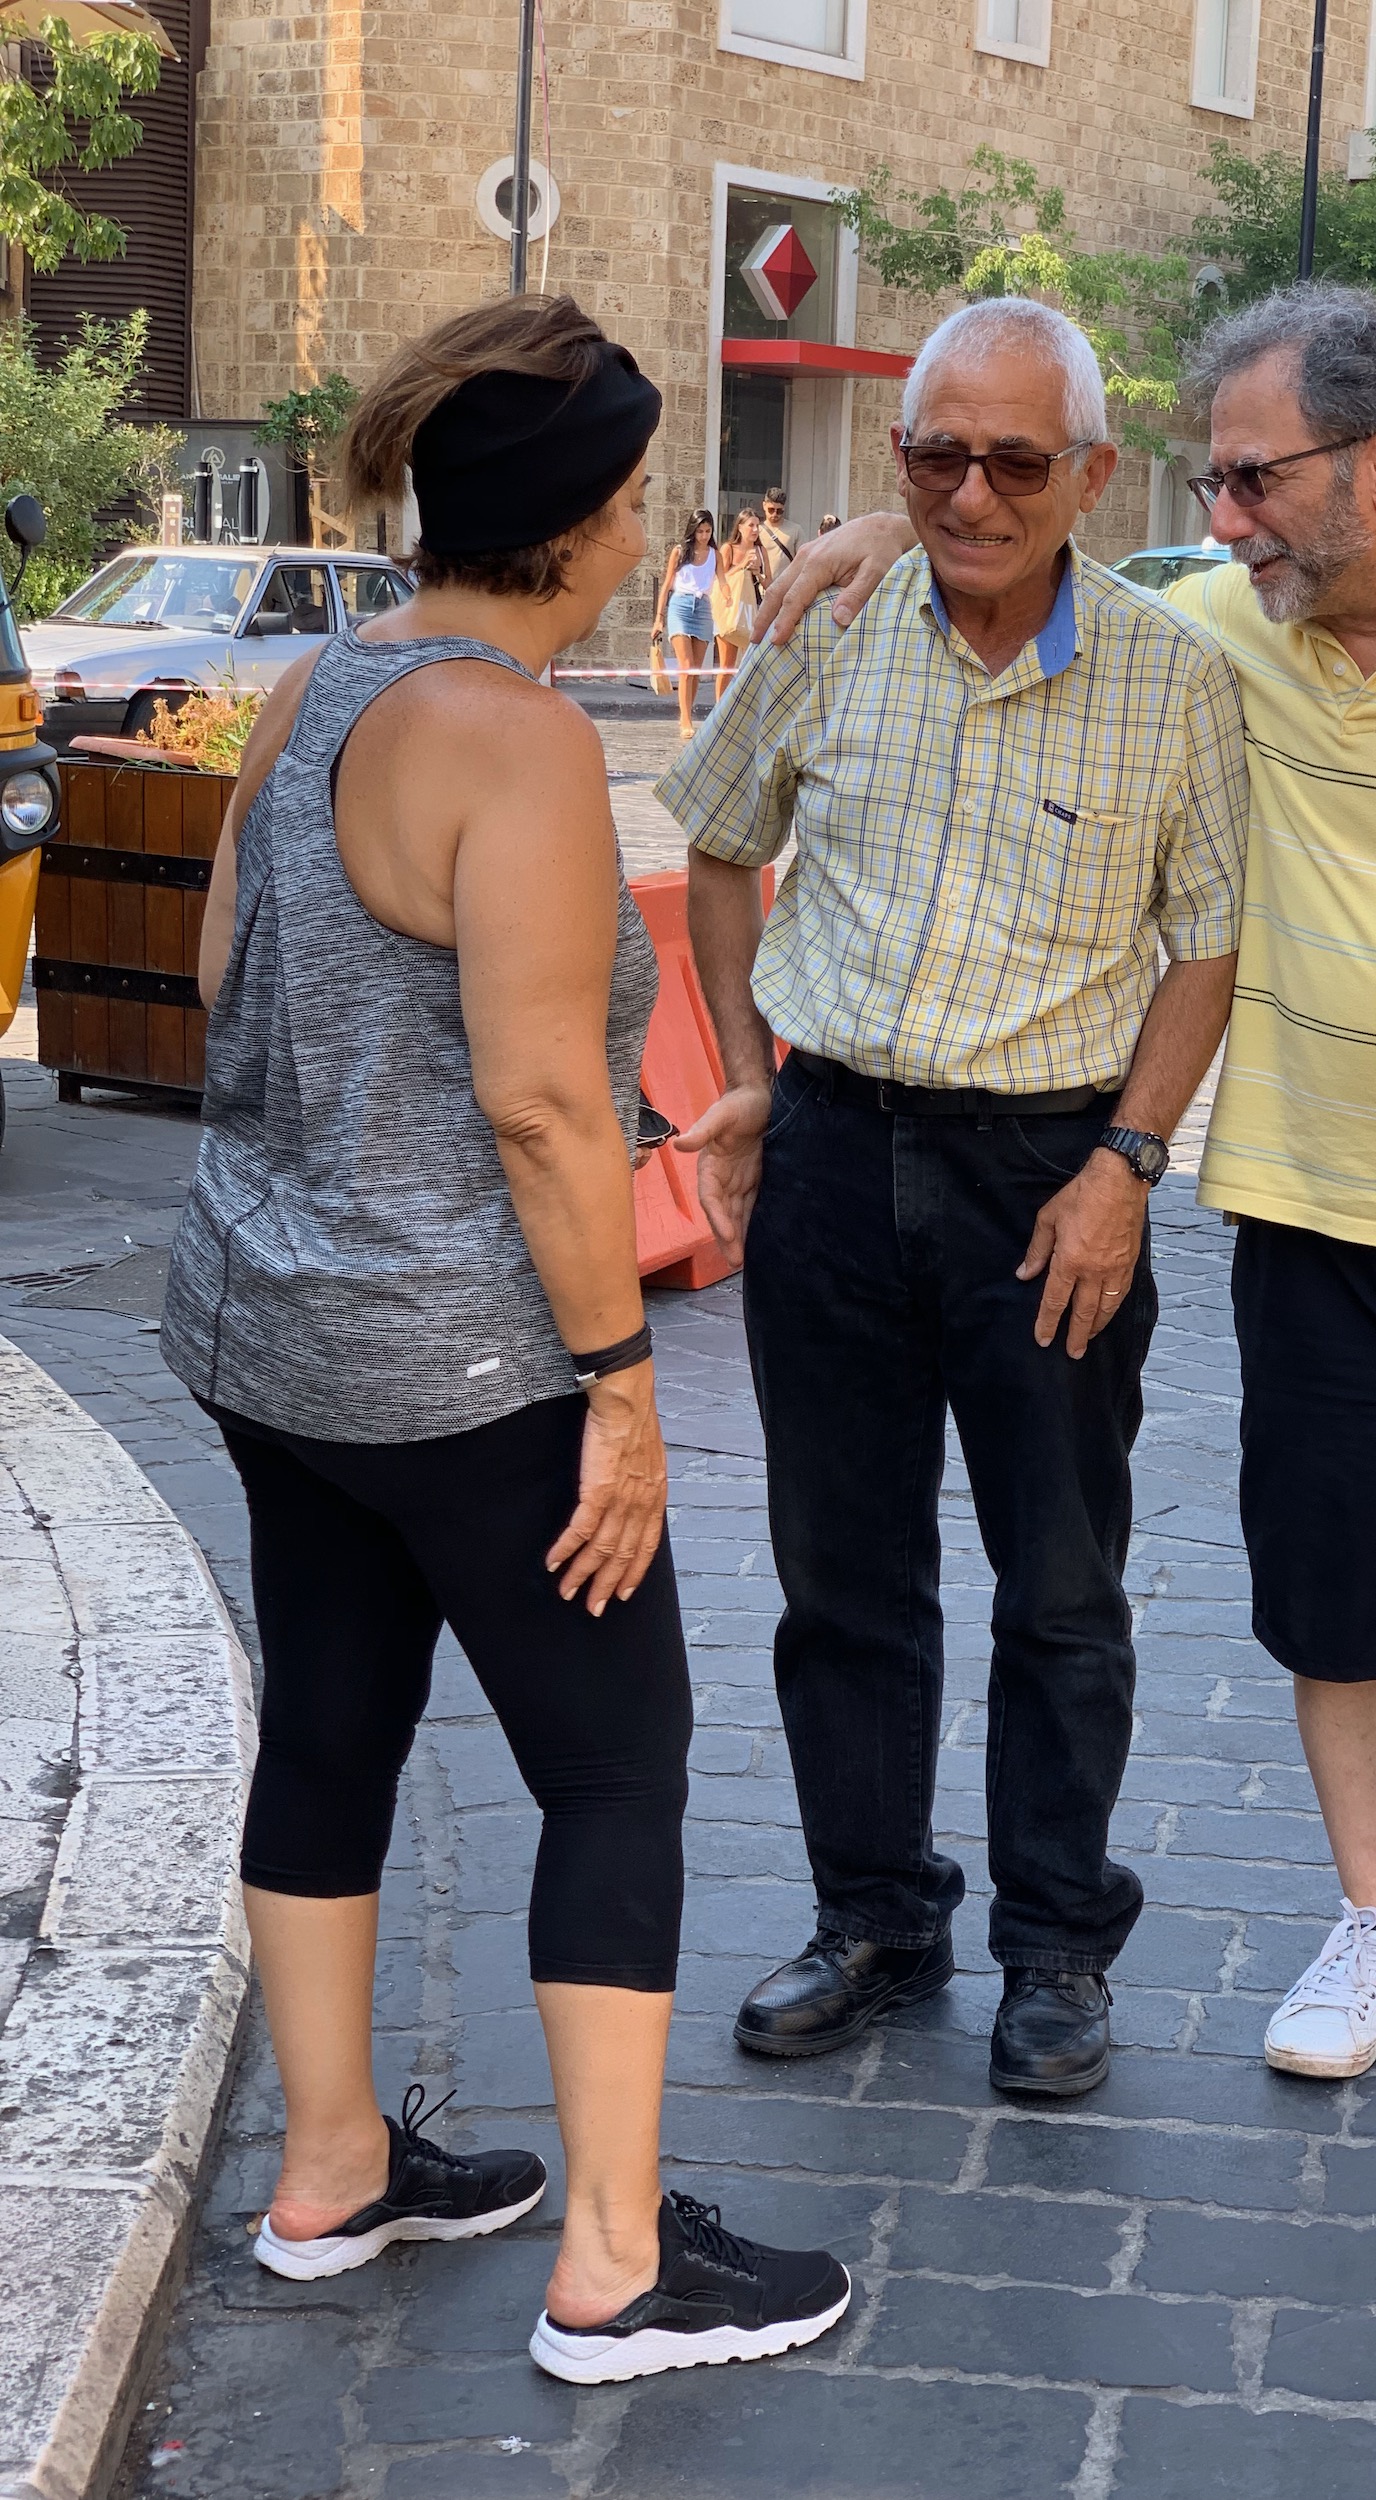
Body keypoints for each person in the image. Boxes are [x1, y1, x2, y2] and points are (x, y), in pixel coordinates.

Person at [765, 280, 1376, 2182]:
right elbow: (1027, 538)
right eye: (1208, 484)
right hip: (1309, 1219)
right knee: (1341, 1622)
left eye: (1250, 481)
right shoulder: (1233, 627)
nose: (1218, 519)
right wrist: (897, 521)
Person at [159, 292, 848, 2385]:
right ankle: (618, 2265)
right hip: (466, 1364)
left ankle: (331, 2171)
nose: (649, 528)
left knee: (331, 1726)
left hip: (263, 1326)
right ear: (586, 517)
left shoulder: (317, 686)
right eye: (636, 495)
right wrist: (620, 1393)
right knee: (616, 1764)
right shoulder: (522, 741)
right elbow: (545, 1105)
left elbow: (223, 976)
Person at [656, 297, 1255, 2099]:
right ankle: (874, 1917)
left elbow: (1207, 947)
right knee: (842, 1575)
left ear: (1092, 474)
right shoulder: (833, 625)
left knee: (1059, 1585)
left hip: (1046, 1178)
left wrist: (1125, 1167)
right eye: (934, 455)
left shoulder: (1172, 678)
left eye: (1013, 460)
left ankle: (1055, 1946)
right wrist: (749, 1075)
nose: (970, 495)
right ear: (897, 457)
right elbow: (720, 844)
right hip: (833, 1151)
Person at [652, 506, 719, 739]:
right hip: (680, 606)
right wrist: (659, 619)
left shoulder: (715, 554)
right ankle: (685, 720)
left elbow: (724, 582)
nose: (704, 536)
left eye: (708, 531)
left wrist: (728, 599)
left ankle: (687, 712)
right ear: (693, 530)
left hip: (703, 607)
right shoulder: (680, 552)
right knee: (686, 666)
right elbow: (666, 585)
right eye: (700, 531)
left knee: (695, 671)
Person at [710, 507, 766, 697]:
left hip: (752, 609)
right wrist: (742, 566)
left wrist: (757, 572)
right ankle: (720, 706)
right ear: (740, 527)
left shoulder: (761, 551)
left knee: (750, 663)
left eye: (757, 525)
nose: (755, 530)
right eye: (751, 525)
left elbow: (769, 583)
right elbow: (720, 579)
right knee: (727, 662)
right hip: (730, 609)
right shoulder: (728, 549)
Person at [757, 484, 797, 572]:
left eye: (779, 511)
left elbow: (803, 559)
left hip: (787, 580)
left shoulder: (795, 530)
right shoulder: (756, 530)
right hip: (762, 580)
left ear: (784, 508)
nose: (775, 514)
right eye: (771, 510)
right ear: (764, 506)